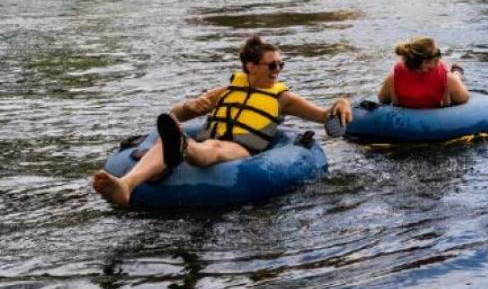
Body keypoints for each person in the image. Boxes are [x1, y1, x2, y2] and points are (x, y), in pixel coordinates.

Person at [92, 35, 353, 206]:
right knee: (168, 137)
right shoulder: (225, 91)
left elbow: (324, 116)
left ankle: (183, 147)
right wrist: (189, 106)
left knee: (212, 148)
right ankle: (125, 185)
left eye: (281, 65)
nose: (278, 71)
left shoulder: (283, 98)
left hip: (240, 149)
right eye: (272, 65)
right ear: (251, 67)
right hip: (209, 138)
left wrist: (341, 102)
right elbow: (176, 115)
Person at [377, 36, 469, 108]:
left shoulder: (392, 79)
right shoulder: (449, 81)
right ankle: (456, 72)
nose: (439, 57)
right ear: (426, 64)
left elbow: (382, 99)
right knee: (454, 78)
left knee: (454, 77)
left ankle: (457, 71)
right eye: (438, 53)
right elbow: (464, 98)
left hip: (404, 125)